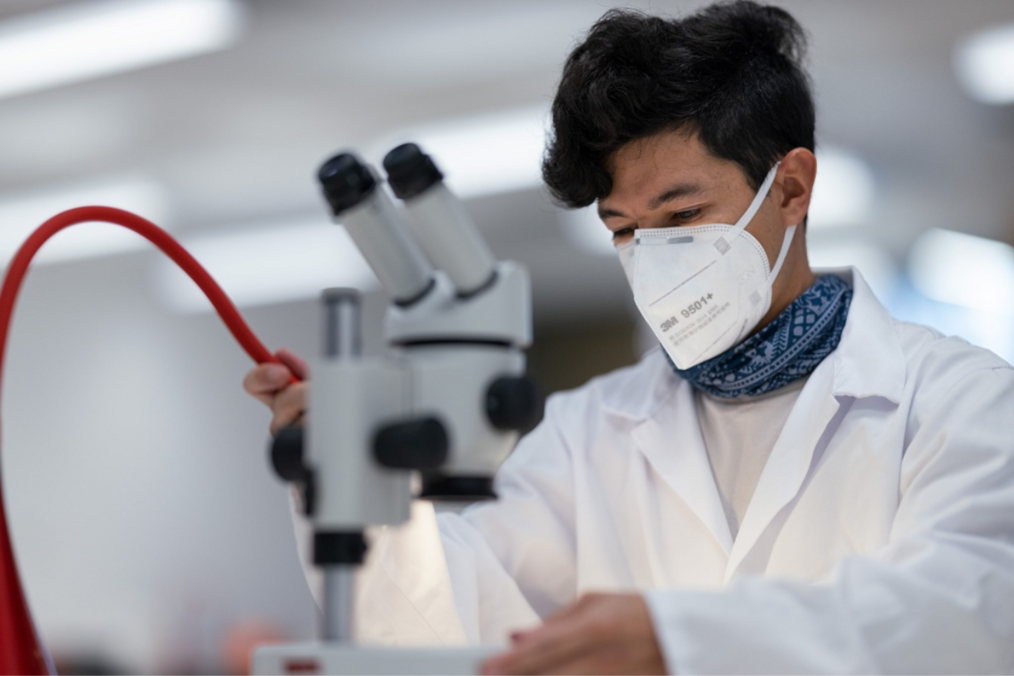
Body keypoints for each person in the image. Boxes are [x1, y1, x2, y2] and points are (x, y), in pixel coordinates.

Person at [244, 2, 1014, 673]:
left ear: (791, 188)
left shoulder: (958, 403)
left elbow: (972, 615)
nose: (654, 258)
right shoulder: (588, 431)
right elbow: (452, 625)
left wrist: (683, 642)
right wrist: (356, 481)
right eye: (623, 229)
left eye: (683, 216)